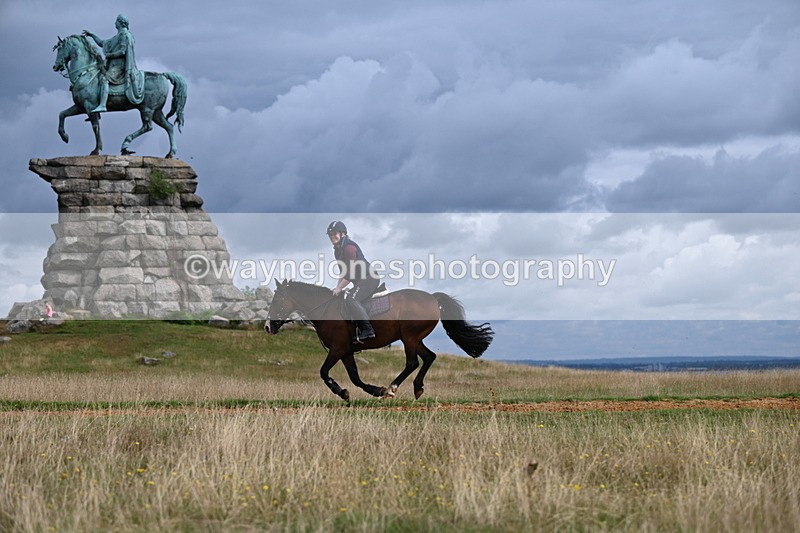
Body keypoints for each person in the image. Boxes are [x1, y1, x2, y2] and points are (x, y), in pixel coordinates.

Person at [327, 220, 380, 343]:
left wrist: (340, 288)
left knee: (351, 299)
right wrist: (337, 288)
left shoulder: (349, 248)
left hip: (369, 278)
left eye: (335, 234)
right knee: (344, 299)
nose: (332, 237)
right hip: (359, 280)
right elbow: (343, 272)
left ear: (342, 234)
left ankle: (367, 330)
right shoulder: (337, 250)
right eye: (330, 235)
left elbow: (350, 272)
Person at [82, 14, 142, 113]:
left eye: (116, 21)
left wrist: (110, 55)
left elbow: (123, 51)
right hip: (113, 65)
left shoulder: (125, 35)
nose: (115, 23)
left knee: (104, 79)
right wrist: (92, 35)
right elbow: (102, 43)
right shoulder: (117, 36)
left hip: (120, 67)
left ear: (121, 23)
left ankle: (102, 105)